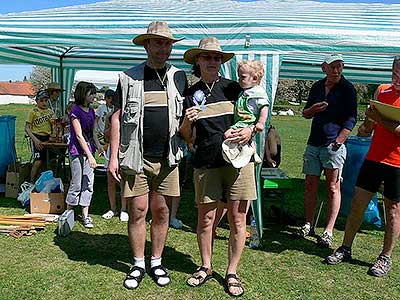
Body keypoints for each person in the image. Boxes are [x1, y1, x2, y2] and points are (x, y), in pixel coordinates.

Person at [108, 21, 187, 289]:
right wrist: (112, 157)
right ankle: (138, 263)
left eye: (167, 43)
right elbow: (116, 118)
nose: (163, 48)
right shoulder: (128, 77)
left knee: (162, 211)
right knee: (138, 210)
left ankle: (157, 261)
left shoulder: (179, 76)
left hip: (168, 157)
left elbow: (188, 118)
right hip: (135, 156)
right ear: (146, 45)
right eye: (158, 43)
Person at [180, 36, 255, 297]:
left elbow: (252, 119)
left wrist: (249, 131)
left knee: (237, 219)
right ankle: (206, 266)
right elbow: (187, 136)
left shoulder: (235, 89)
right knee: (206, 219)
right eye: (208, 57)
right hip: (205, 162)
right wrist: (188, 122)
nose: (213, 61)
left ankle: (232, 272)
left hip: (238, 162)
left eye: (217, 58)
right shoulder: (190, 94)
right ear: (198, 61)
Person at [326, 56, 400, 277]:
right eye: (395, 73)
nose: (397, 78)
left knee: (393, 211)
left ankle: (385, 258)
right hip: (373, 158)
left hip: (397, 163)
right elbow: (370, 125)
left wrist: (378, 117)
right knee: (357, 203)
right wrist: (368, 122)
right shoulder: (382, 90)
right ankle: (345, 247)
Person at [293, 53, 357, 248]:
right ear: (324, 68)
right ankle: (308, 224)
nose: (337, 70)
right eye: (333, 66)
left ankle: (328, 231)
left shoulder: (348, 89)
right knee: (310, 185)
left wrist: (339, 141)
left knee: (332, 187)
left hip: (333, 146)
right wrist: (313, 110)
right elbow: (305, 113)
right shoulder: (317, 86)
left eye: (340, 66)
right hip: (314, 143)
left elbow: (352, 118)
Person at [65, 81, 104, 228]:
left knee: (88, 183)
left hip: (89, 152)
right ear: (83, 94)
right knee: (76, 183)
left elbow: (93, 133)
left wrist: (99, 146)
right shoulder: (75, 110)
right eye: (91, 93)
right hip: (77, 152)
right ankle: (68, 214)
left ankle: (85, 216)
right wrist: (90, 156)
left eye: (94, 93)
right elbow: (79, 135)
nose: (94, 96)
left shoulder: (92, 111)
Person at [224, 60, 269, 156]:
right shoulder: (243, 92)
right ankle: (249, 152)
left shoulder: (258, 92)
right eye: (239, 76)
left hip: (247, 121)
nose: (239, 79)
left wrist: (261, 122)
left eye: (243, 77)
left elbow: (264, 108)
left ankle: (248, 153)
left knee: (228, 135)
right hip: (240, 121)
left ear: (255, 78)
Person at [101, 108, 129, 222]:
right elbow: (106, 136)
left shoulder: (127, 114)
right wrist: (110, 120)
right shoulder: (110, 115)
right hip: (111, 151)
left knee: (122, 180)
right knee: (110, 181)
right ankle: (112, 209)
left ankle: (123, 209)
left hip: (123, 151)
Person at [25, 90, 55, 182]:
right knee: (38, 161)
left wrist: (53, 134)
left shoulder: (50, 112)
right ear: (37, 101)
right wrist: (35, 140)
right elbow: (27, 128)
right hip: (36, 136)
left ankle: (44, 181)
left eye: (46, 101)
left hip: (47, 137)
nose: (44, 103)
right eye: (41, 101)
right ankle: (31, 182)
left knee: (48, 160)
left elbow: (54, 124)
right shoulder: (33, 112)